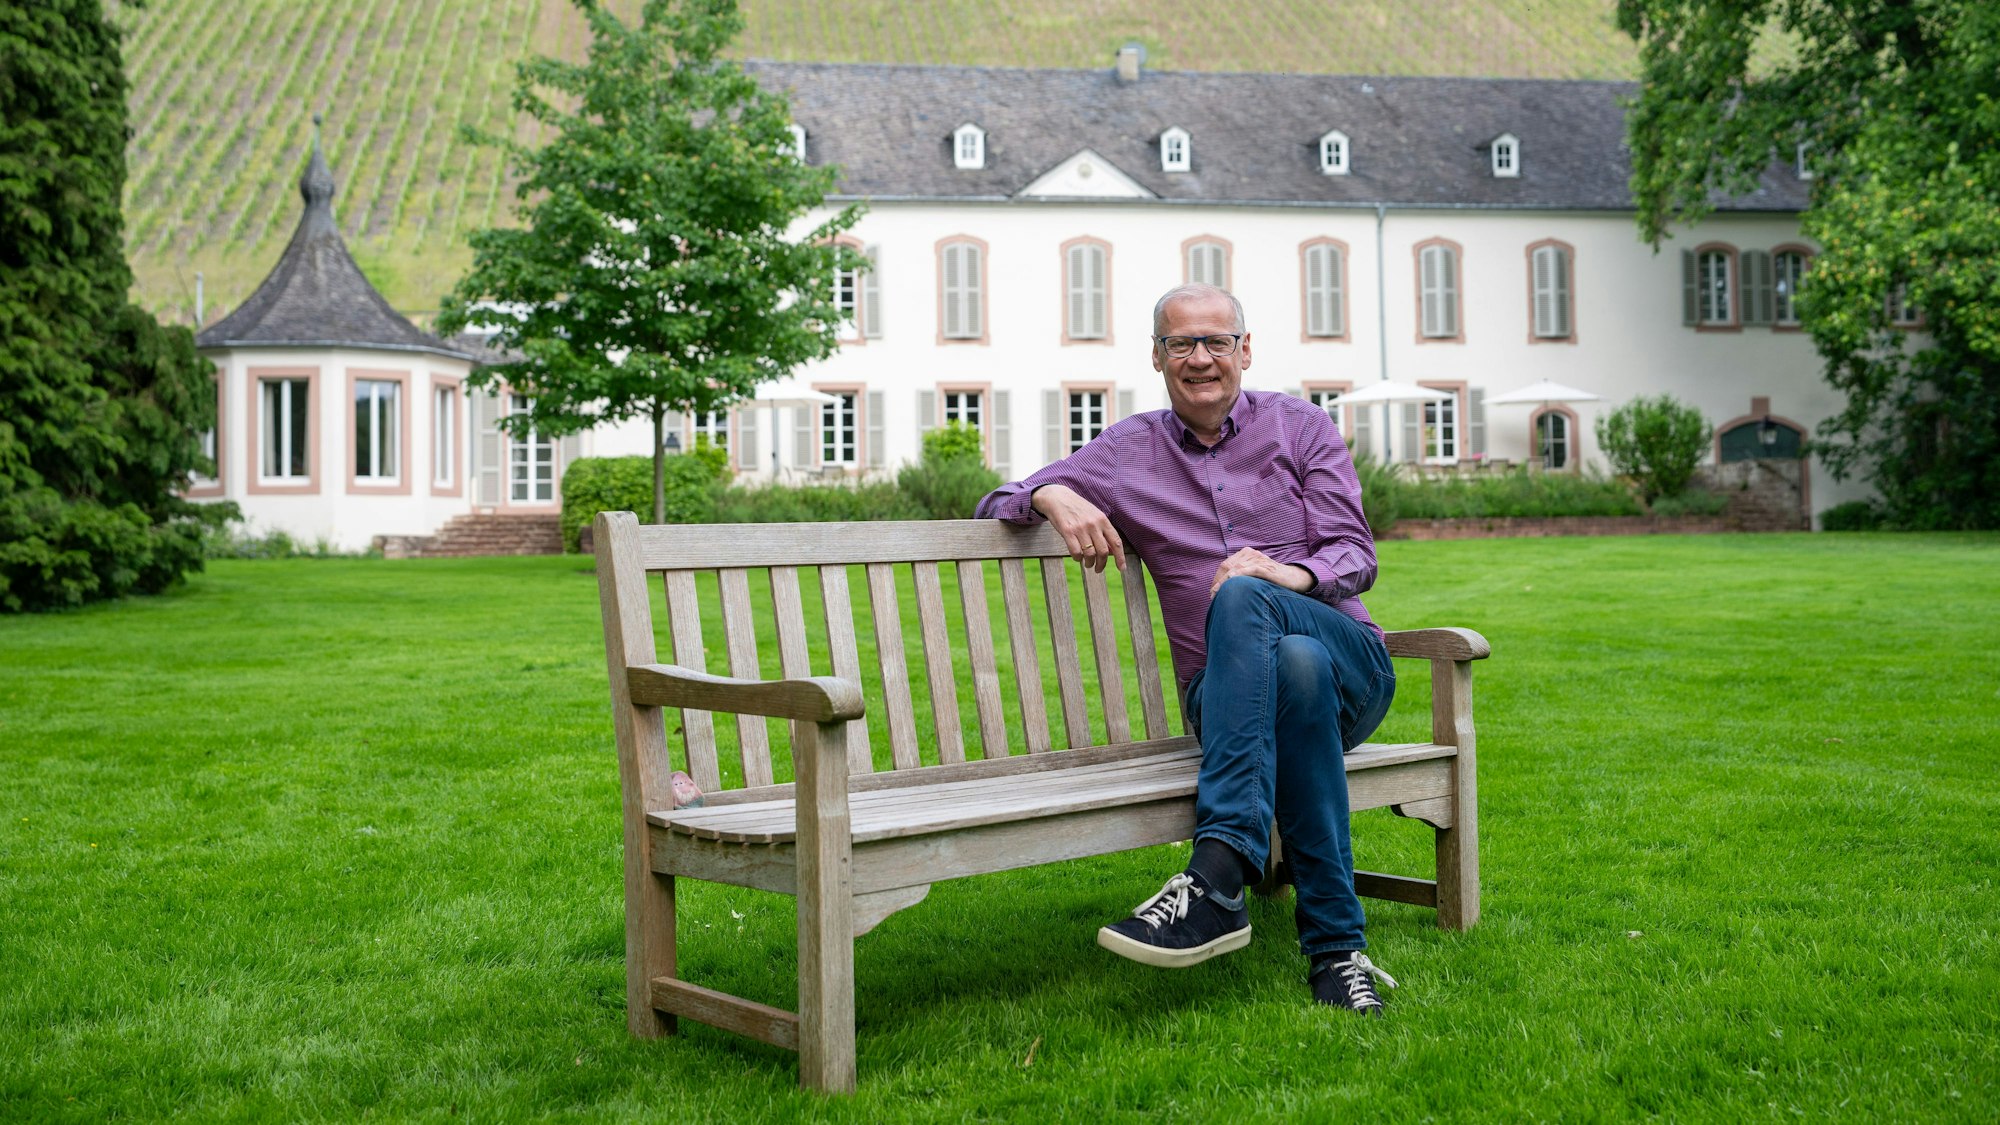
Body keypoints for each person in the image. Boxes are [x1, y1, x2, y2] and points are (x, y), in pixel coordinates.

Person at [975, 283, 1400, 1014]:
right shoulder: (1127, 451)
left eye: (1216, 341)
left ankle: (1217, 870)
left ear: (1245, 350)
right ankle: (1337, 952)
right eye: (1181, 344)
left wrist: (1282, 574)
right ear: (1157, 356)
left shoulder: (1301, 427)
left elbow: (1354, 553)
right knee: (1289, 673)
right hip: (1234, 697)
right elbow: (998, 500)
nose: (1200, 358)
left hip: (1349, 671)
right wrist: (1053, 495)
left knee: (1251, 602)